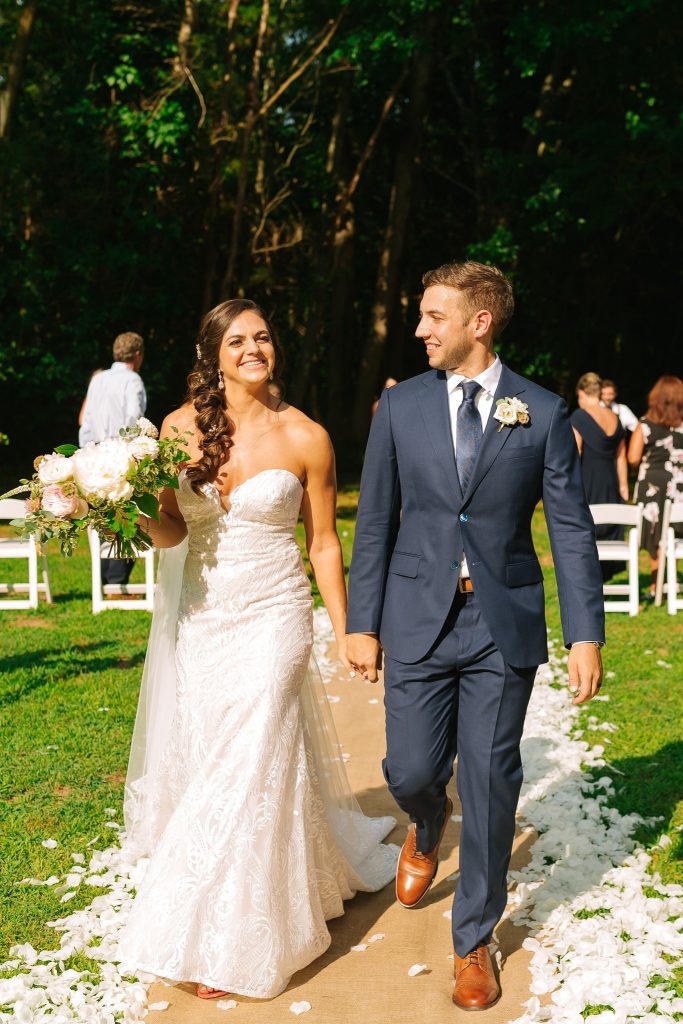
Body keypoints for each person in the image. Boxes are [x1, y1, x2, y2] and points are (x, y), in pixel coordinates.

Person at [118, 299, 397, 1000]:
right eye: (237, 339)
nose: (253, 348)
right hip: (204, 619)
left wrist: (347, 627)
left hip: (276, 618)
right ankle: (294, 881)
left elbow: (324, 544)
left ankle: (222, 934)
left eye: (263, 336)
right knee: (224, 760)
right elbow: (173, 532)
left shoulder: (307, 436)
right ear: (212, 353)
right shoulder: (177, 430)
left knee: (248, 762)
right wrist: (118, 508)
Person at [346, 261, 604, 1011]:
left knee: (490, 783)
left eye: (433, 316)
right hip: (415, 617)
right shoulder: (400, 409)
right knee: (410, 768)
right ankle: (425, 824)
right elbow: (374, 525)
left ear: (478, 323)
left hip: (502, 626)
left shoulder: (544, 411)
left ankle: (472, 940)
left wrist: (584, 633)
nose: (420, 329)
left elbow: (570, 532)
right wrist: (362, 622)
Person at [79, 332, 147, 585]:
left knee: (100, 516)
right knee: (126, 514)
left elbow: (86, 422)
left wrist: (84, 453)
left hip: (94, 456)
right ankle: (116, 580)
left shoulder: (98, 380)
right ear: (137, 355)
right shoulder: (133, 380)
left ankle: (104, 579)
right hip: (121, 455)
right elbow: (134, 418)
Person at [628, 375, 683, 597]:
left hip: (653, 483)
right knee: (675, 530)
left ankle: (655, 585)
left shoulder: (645, 425)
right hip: (678, 483)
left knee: (655, 532)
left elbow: (632, 457)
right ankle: (671, 579)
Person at [571, 372, 628, 581]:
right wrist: (623, 485)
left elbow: (575, 453)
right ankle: (604, 578)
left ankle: (591, 580)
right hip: (611, 480)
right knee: (610, 524)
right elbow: (621, 456)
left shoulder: (579, 417)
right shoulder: (615, 417)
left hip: (588, 480)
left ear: (581, 393)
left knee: (590, 530)